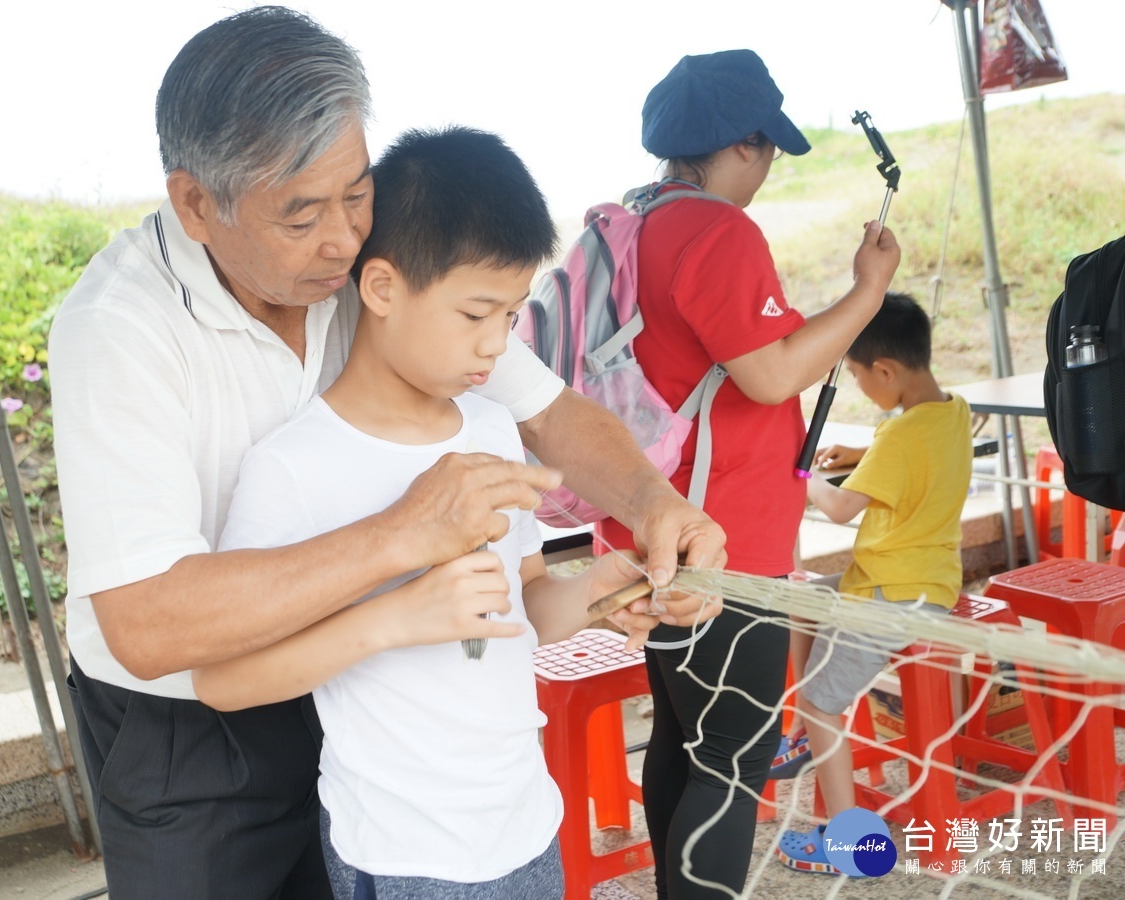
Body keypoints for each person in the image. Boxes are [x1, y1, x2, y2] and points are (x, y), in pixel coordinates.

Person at [47, 8, 725, 899]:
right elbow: (146, 626)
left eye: (355, 191)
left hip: (366, 735)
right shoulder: (120, 331)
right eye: (302, 215)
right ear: (196, 203)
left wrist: (652, 507)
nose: (343, 236)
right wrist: (406, 541)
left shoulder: (380, 270)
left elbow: (548, 415)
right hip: (188, 734)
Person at [193, 124, 664, 899]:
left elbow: (517, 607)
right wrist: (398, 617)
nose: (495, 347)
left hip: (526, 824)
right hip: (406, 853)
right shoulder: (293, 467)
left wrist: (600, 593)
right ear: (381, 289)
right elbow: (223, 679)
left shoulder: (489, 428)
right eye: (475, 313)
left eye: (511, 317)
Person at [593, 50, 901, 897]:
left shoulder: (636, 222)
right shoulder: (718, 231)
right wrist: (866, 293)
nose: (766, 171)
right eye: (767, 151)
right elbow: (769, 374)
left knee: (684, 740)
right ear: (743, 144)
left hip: (647, 521)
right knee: (734, 755)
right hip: (721, 540)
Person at [775, 292, 972, 875]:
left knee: (819, 701)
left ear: (884, 370)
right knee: (800, 597)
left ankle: (846, 845)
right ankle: (808, 732)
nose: (861, 388)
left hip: (893, 595)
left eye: (859, 378)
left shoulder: (898, 439)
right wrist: (863, 450)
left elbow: (837, 509)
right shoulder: (953, 409)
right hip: (926, 577)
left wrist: (801, 469)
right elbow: (919, 448)